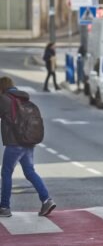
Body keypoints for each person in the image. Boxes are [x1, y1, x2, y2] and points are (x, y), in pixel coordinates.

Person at [0, 76, 56, 217]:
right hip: (27, 141)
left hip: (14, 143)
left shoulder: (4, 99)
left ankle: (4, 207)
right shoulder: (22, 98)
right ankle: (46, 200)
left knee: (6, 172)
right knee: (30, 172)